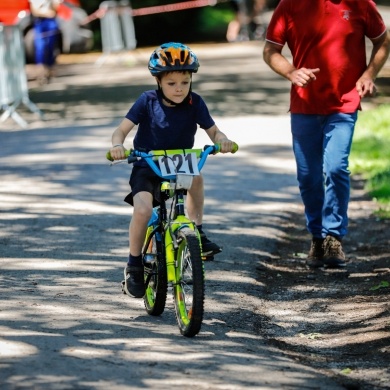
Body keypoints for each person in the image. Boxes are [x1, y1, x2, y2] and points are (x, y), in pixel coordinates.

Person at [263, 0, 390, 268]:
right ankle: (317, 237)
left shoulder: (359, 4)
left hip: (344, 104)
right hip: (304, 105)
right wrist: (291, 72)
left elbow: (383, 41)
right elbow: (270, 50)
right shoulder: (289, 6)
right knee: (308, 176)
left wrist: (369, 74)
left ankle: (334, 237)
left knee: (336, 168)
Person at [109, 42, 237, 298]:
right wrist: (117, 146)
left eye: (185, 82)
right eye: (171, 83)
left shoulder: (195, 102)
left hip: (180, 161)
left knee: (197, 178)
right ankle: (134, 264)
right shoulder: (147, 101)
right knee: (143, 210)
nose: (179, 88)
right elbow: (121, 130)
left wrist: (221, 140)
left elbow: (213, 131)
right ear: (158, 82)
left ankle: (197, 230)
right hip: (147, 163)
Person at [29, 0, 62, 84]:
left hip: (51, 22)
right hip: (40, 22)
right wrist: (46, 13)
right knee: (40, 47)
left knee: (51, 46)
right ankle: (41, 72)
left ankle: (50, 69)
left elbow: (56, 8)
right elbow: (34, 11)